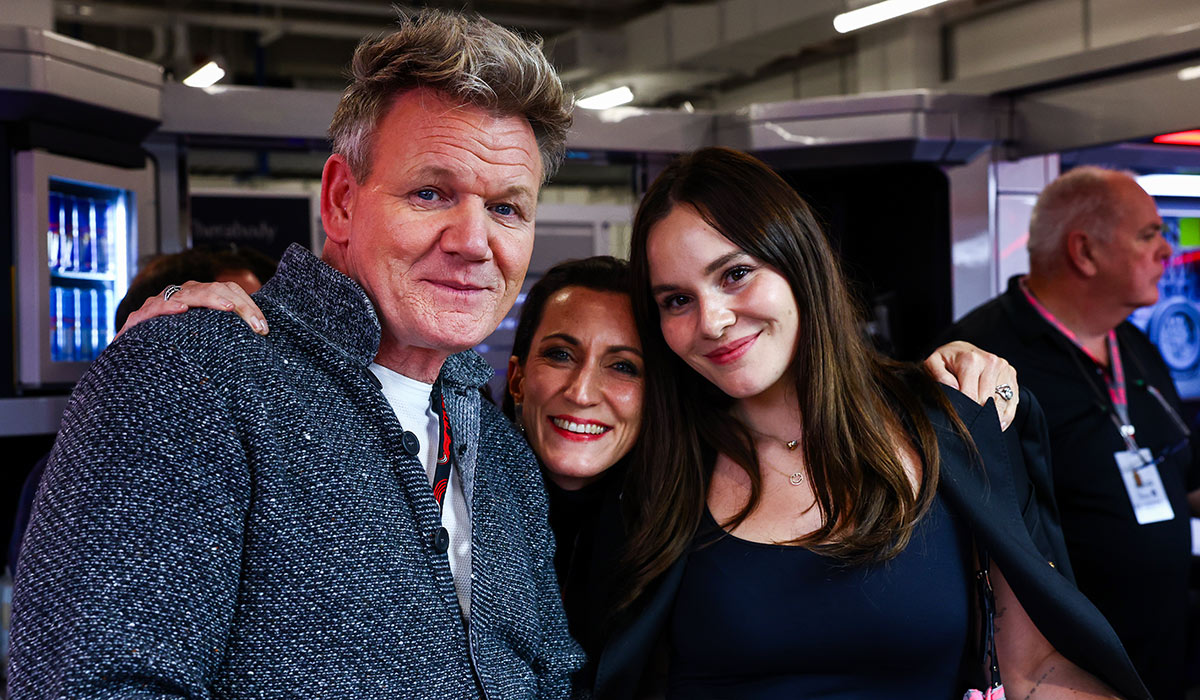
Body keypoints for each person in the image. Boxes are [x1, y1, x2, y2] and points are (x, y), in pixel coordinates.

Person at [10, 9, 585, 699]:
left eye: (507, 209)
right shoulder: (190, 375)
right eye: (431, 193)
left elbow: (553, 676)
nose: (473, 240)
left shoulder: (500, 450)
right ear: (341, 200)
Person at [592, 147, 1149, 700]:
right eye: (676, 300)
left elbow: (1035, 671)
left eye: (736, 274)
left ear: (799, 263)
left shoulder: (949, 427)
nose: (711, 321)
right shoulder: (652, 463)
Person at [946, 166, 1200, 700]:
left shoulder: (1136, 347)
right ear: (1084, 252)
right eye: (1149, 234)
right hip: (1060, 670)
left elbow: (1187, 475)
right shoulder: (982, 359)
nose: (1166, 253)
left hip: (1167, 654)